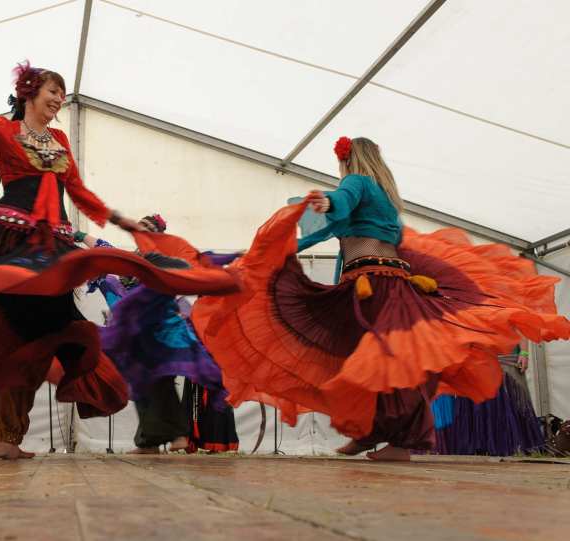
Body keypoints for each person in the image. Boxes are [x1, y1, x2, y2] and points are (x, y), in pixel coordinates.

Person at [0, 26, 239, 460]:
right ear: (29, 92)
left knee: (41, 338)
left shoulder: (60, 140)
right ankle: (2, 433)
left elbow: (78, 191)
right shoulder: (2, 129)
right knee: (11, 332)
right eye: (52, 91)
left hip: (53, 250)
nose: (59, 99)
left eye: (62, 94)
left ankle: (6, 433)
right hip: (10, 242)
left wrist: (121, 220)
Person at [192, 136, 570, 461]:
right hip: (368, 285)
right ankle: (370, 431)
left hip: (378, 285)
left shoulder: (357, 183)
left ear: (348, 160)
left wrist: (328, 203)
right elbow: (317, 235)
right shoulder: (382, 199)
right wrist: (265, 256)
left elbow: (342, 198)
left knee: (387, 362)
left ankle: (402, 441)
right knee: (368, 362)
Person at [79, 215, 229, 454]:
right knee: (144, 385)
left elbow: (189, 273)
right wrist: (78, 235)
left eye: (147, 230)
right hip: (139, 335)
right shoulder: (136, 259)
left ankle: (176, 435)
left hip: (159, 333)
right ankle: (151, 442)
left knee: (158, 383)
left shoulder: (162, 259)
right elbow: (106, 250)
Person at [431, 342, 544, 455]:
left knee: (502, 404)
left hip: (503, 357)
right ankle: (479, 446)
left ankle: (509, 445)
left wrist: (524, 353)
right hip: (474, 358)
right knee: (477, 405)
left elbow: (522, 331)